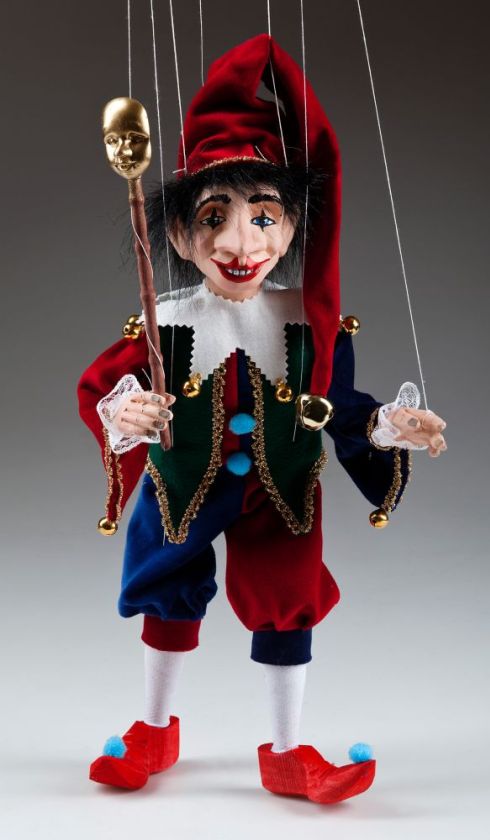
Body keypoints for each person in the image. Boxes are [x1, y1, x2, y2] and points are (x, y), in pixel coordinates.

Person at [78, 34, 446, 801]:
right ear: (177, 235)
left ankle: (286, 749)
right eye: (213, 216)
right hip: (182, 489)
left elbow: (342, 410)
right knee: (167, 587)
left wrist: (389, 426)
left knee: (289, 600)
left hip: (283, 497)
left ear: (292, 228)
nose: (240, 243)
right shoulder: (167, 321)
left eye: (264, 216)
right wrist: (128, 410)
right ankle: (154, 728)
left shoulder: (308, 325)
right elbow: (105, 389)